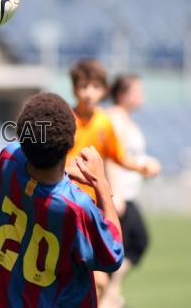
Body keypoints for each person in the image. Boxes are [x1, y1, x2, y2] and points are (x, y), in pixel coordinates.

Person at [0, 92, 123, 307]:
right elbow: (112, 254)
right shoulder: (76, 207)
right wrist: (101, 183)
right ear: (70, 143)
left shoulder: (7, 159)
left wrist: (63, 174)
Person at [64, 59, 160, 301]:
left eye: (95, 87)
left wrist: (142, 166)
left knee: (100, 280)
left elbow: (117, 156)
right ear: (74, 88)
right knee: (92, 278)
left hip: (92, 209)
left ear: (104, 90)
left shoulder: (103, 122)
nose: (88, 93)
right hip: (67, 205)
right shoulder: (67, 120)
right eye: (83, 86)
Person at [100, 74, 160, 308]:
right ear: (123, 94)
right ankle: (107, 295)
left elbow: (129, 156)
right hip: (119, 197)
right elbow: (111, 157)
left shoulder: (126, 118)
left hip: (128, 194)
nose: (142, 95)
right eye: (138, 90)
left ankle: (110, 293)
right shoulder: (115, 118)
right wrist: (115, 195)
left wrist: (144, 165)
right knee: (133, 243)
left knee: (134, 244)